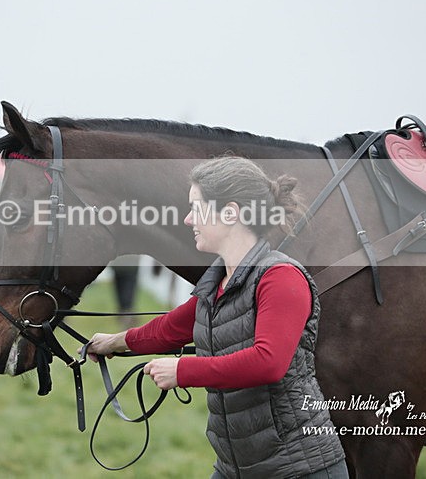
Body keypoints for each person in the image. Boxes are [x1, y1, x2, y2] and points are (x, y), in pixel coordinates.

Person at [81, 157, 348, 479]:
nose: (188, 218)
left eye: (197, 207)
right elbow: (171, 328)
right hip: (235, 466)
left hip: (299, 468)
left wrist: (183, 370)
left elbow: (269, 362)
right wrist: (113, 342)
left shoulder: (281, 278)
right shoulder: (217, 282)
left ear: (231, 213)